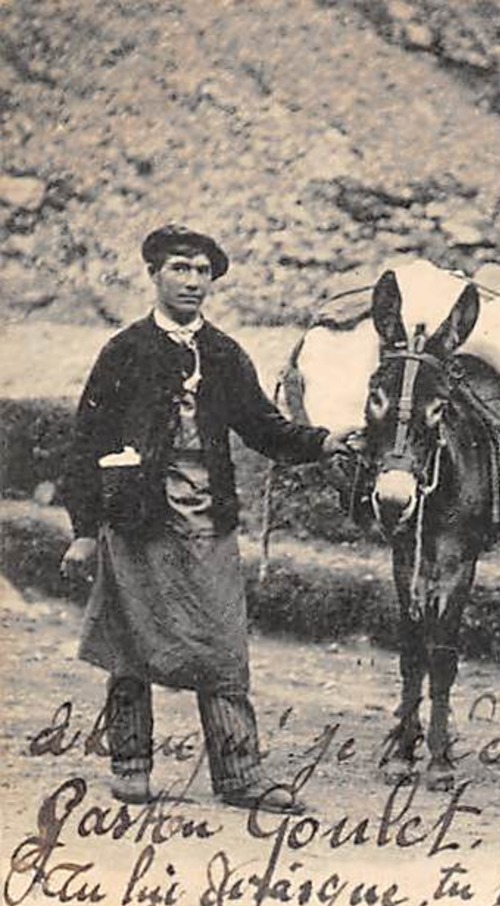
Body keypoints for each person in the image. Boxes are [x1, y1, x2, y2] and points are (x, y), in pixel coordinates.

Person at [59, 224, 351, 815]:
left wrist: (325, 443)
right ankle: (131, 765)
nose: (192, 282)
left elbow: (265, 428)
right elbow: (85, 441)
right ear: (154, 275)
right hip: (135, 520)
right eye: (180, 269)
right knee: (129, 641)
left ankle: (240, 774)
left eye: (202, 272)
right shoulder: (124, 351)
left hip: (206, 521)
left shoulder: (222, 353)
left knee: (222, 646)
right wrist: (85, 532)